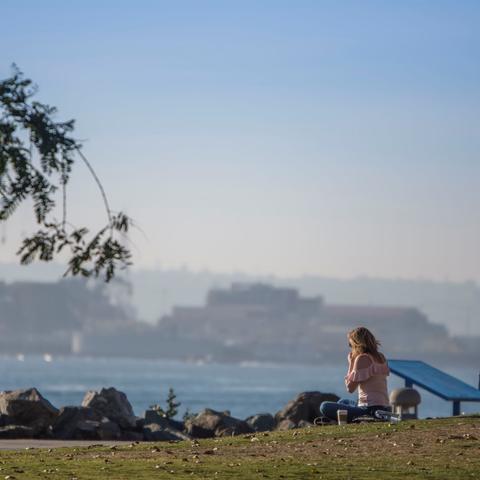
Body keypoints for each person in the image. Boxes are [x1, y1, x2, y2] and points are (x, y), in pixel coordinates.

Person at [320, 327, 390, 423]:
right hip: (384, 408)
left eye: (350, 344)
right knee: (343, 402)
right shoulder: (381, 357)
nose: (350, 347)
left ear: (357, 343)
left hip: (369, 410)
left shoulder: (362, 358)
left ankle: (364, 419)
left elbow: (350, 388)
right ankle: (355, 419)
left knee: (324, 406)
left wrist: (351, 362)